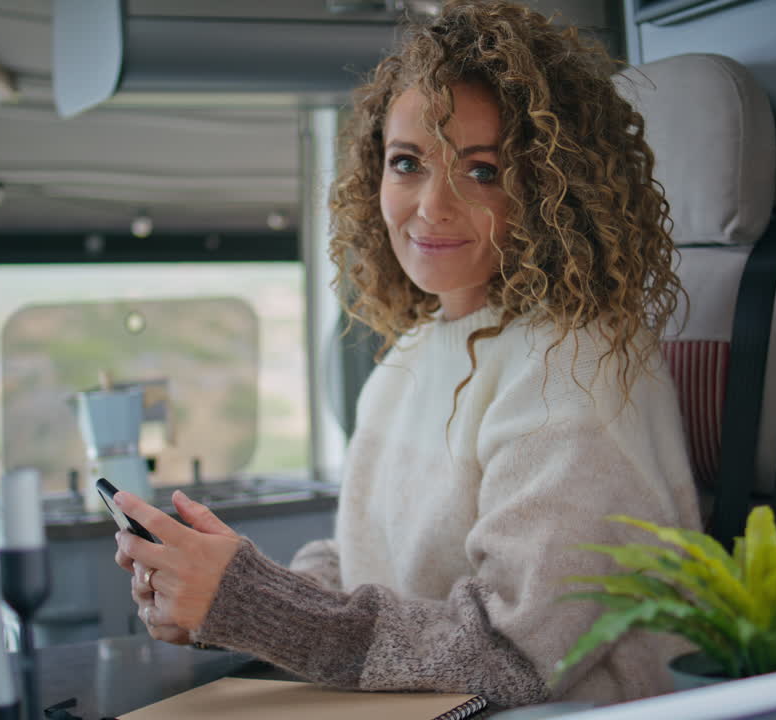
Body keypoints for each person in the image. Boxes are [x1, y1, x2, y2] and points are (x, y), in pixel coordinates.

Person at [112, 0, 701, 709]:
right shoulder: (411, 356)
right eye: (408, 163)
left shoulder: (576, 363)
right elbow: (364, 564)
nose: (431, 205)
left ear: (552, 190)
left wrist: (251, 603)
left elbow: (515, 652)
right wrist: (216, 595)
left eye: (482, 171)